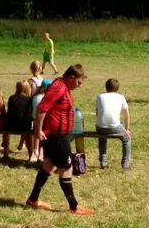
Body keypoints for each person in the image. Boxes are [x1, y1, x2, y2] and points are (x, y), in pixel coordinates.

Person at [25, 64, 94, 216]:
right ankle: (74, 207)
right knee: (66, 167)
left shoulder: (64, 87)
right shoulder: (59, 87)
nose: (79, 86)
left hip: (56, 135)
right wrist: (37, 130)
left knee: (49, 165)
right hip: (55, 136)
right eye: (79, 82)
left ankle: (33, 200)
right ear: (71, 77)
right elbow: (42, 108)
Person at [96, 78, 133, 170]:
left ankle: (103, 163)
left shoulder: (99, 96)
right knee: (126, 138)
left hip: (100, 127)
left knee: (102, 139)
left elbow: (98, 113)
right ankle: (125, 163)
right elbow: (127, 115)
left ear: (106, 87)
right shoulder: (120, 97)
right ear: (117, 88)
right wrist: (127, 130)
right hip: (114, 127)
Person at [27, 79, 52, 162]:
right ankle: (40, 152)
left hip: (34, 122)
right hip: (42, 123)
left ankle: (36, 151)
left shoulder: (34, 97)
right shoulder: (46, 98)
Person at [7, 80, 33, 157]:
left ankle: (5, 153)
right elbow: (29, 115)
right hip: (24, 127)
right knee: (28, 133)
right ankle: (31, 154)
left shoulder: (11, 98)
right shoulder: (29, 100)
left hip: (11, 126)